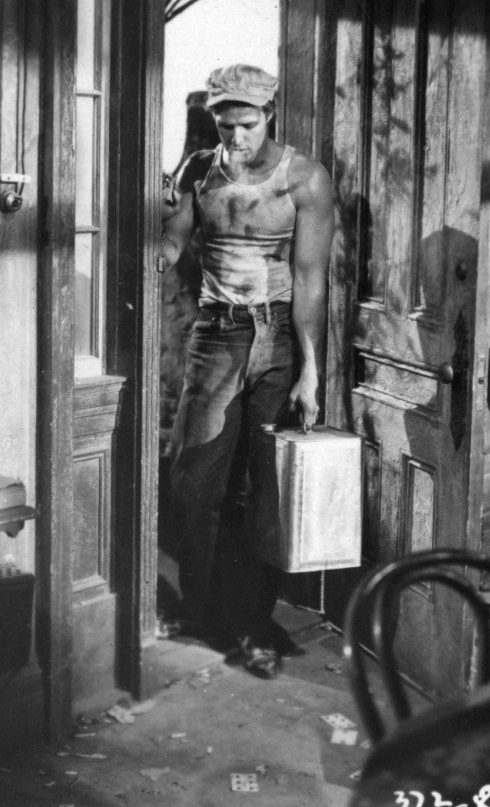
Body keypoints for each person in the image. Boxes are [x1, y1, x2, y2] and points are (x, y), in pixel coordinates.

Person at [161, 63, 334, 679]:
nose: (236, 137)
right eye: (225, 124)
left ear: (269, 116)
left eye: (248, 124)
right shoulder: (198, 171)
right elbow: (172, 244)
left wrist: (311, 373)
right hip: (217, 334)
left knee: (265, 490)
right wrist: (152, 236)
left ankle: (255, 624)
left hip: (280, 335)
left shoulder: (304, 178)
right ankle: (203, 613)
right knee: (195, 482)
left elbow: (311, 280)